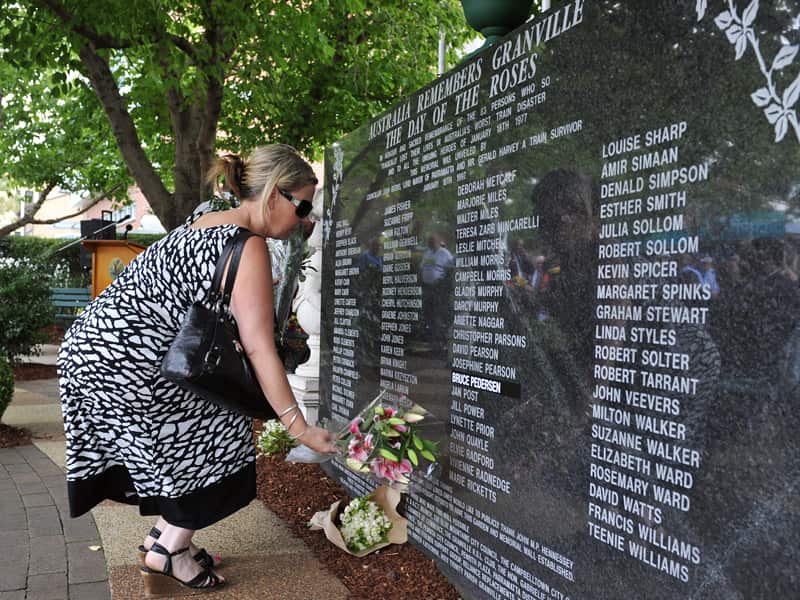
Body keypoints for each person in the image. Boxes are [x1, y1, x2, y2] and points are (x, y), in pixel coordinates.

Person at [57, 145, 337, 596]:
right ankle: (168, 553)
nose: (306, 219)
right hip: (128, 363)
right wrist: (299, 427)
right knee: (217, 437)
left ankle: (166, 540)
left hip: (91, 353)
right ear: (272, 194)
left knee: (202, 429)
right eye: (302, 205)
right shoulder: (248, 247)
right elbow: (259, 346)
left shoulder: (204, 222)